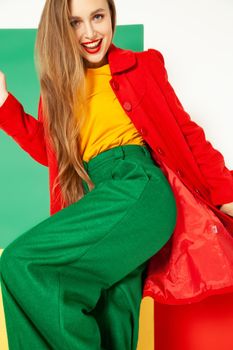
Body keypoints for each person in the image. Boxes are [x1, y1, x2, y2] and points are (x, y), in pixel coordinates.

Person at [0, 0, 232, 349]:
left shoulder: (142, 66)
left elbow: (187, 134)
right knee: (111, 318)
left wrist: (228, 198)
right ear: (60, 29)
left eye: (98, 17)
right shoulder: (59, 90)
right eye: (75, 23)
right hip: (100, 198)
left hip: (138, 187)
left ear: (112, 16)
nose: (90, 33)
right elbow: (50, 150)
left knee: (22, 261)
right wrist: (4, 104)